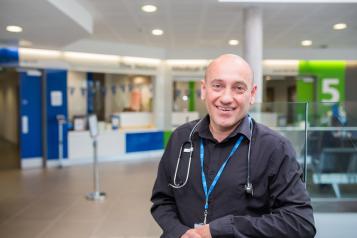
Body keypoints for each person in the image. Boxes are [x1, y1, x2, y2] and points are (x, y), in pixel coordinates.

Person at [151, 54, 316, 238]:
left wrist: (225, 229)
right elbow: (162, 201)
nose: (226, 98)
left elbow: (301, 223)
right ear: (204, 89)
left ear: (252, 94)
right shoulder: (181, 138)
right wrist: (180, 232)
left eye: (238, 88)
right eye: (218, 86)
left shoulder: (275, 148)